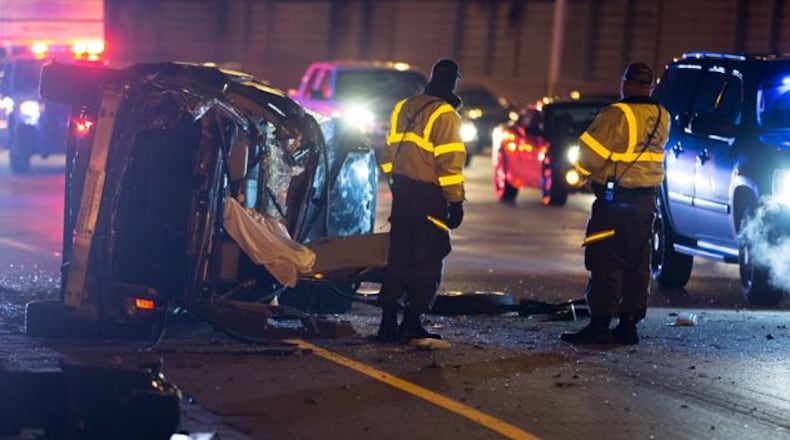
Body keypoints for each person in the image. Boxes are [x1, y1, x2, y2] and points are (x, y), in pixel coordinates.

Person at [561, 62, 670, 345]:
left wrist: (582, 176)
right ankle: (629, 325)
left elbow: (589, 155)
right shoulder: (662, 115)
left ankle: (599, 325)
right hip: (647, 203)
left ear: (626, 84)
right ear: (650, 86)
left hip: (616, 203)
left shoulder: (616, 115)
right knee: (638, 263)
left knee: (606, 261)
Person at [375, 58, 467, 343]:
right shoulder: (447, 116)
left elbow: (388, 156)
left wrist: (396, 184)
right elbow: (449, 165)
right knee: (427, 258)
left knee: (399, 257)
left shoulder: (405, 107)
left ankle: (387, 323)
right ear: (453, 82)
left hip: (403, 195)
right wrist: (456, 202)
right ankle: (412, 322)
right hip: (429, 197)